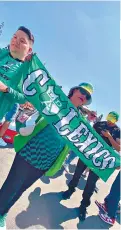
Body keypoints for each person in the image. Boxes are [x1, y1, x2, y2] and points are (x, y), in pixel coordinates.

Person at [0, 26, 94, 229]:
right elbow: (32, 98)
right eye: (82, 91)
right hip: (30, 150)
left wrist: (109, 161)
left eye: (87, 97)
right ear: (74, 90)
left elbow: (87, 144)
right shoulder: (53, 99)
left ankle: (3, 214)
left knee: (20, 190)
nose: (83, 97)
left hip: (47, 160)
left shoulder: (81, 121)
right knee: (10, 186)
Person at [61, 111, 120, 221]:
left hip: (100, 161)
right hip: (87, 154)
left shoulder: (117, 131)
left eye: (111, 121)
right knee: (77, 174)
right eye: (108, 119)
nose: (109, 122)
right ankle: (70, 189)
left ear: (115, 121)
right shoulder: (99, 124)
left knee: (91, 183)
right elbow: (87, 134)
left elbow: (119, 148)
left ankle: (83, 206)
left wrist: (109, 137)